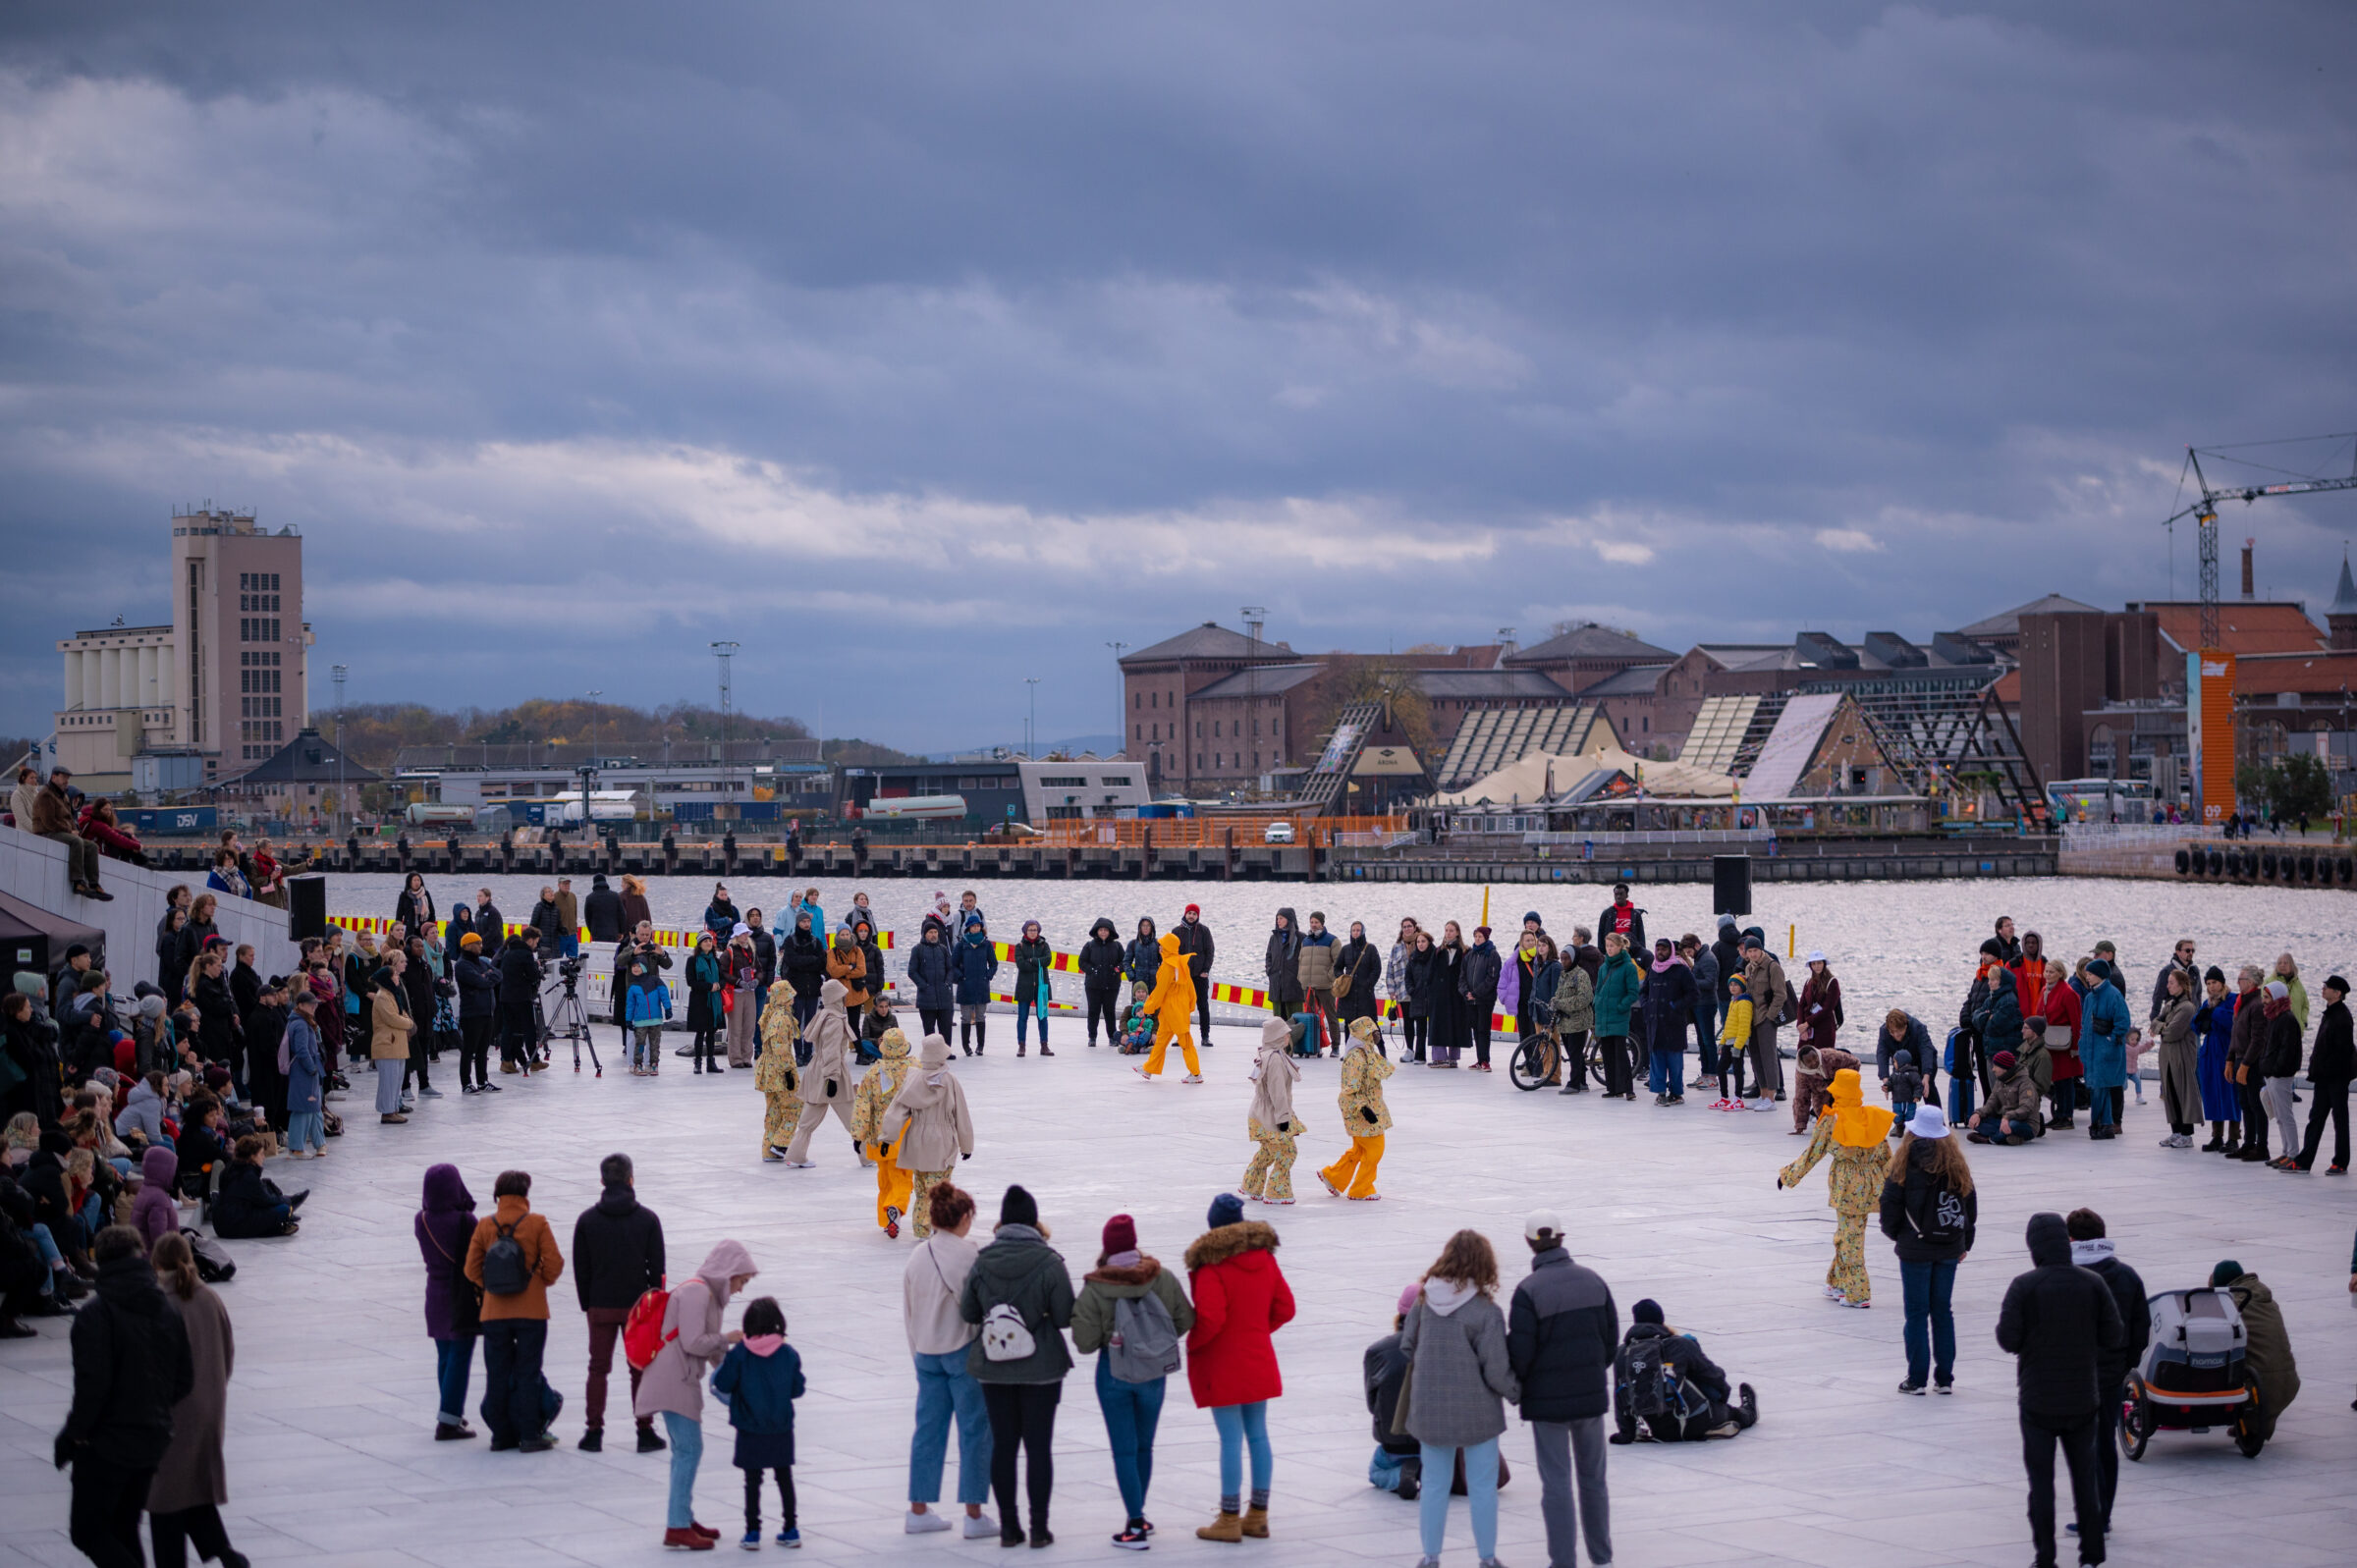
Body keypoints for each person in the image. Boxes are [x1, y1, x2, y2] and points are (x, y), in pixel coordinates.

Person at [56, 1225, 191, 1567]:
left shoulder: (95, 1315)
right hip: (152, 1437)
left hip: (107, 1444)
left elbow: (91, 1388)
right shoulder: (166, 1308)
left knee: (87, 1531)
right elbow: (185, 1377)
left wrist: (72, 1437)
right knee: (123, 1527)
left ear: (101, 1262)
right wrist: (156, 1405)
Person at [1995, 1214, 2121, 1568]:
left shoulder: (2024, 1286)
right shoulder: (2093, 1283)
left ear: (2033, 1246)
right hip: (2083, 1398)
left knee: (2042, 1484)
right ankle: (2092, 1556)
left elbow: (2008, 1339)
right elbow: (2113, 1336)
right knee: (2084, 1479)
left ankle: (2045, 1558)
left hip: (2038, 1401)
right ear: (2066, 1243)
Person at [959, 1185, 1074, 1549]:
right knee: (1039, 1447)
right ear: (1033, 1220)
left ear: (1003, 1221)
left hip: (994, 1369)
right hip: (1042, 1369)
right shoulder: (1050, 1262)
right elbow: (1064, 1316)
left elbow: (969, 1313)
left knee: (1003, 1446)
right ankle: (1039, 1529)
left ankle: (1009, 1528)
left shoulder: (982, 1260)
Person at [1071, 1213, 1195, 1548]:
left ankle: (1136, 1523)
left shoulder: (1097, 1285)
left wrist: (1108, 1338)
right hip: (1154, 1375)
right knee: (1144, 1446)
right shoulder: (1162, 1277)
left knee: (1123, 1451)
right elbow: (1185, 1318)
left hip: (1113, 1374)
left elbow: (1083, 1342)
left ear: (1107, 1247)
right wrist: (1154, 1345)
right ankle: (1138, 1515)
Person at [1399, 1228, 1519, 1568]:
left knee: (1435, 1485)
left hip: (1429, 1409)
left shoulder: (1423, 1301)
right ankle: (1486, 1557)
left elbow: (1407, 1345)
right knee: (1481, 1487)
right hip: (1477, 1412)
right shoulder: (1485, 1311)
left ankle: (1431, 1557)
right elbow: (1496, 1368)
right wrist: (1516, 1394)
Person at [1507, 1209, 1617, 1567]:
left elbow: (1520, 1355)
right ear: (1562, 1238)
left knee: (1555, 1483)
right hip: (1589, 1400)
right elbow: (1609, 1342)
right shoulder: (1593, 1281)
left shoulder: (1528, 1292)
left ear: (1529, 1243)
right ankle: (1602, 1558)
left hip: (1548, 1405)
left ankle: (1563, 1562)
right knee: (1594, 1481)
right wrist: (1587, 1374)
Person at [1184, 1191, 1294, 1544]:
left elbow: (1210, 1319)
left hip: (1223, 1363)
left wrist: (1194, 1344)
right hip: (1257, 1358)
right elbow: (1285, 1308)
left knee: (1230, 1439)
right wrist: (1258, 1332)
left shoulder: (1211, 1266)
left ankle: (1229, 1518)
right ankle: (1258, 1516)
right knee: (1258, 1435)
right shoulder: (1264, 1259)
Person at [636, 1240, 759, 1550]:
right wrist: (727, 1338)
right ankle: (677, 1526)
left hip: (680, 1377)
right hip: (673, 1379)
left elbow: (711, 1349)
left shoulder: (710, 1297)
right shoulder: (696, 1292)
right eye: (742, 1281)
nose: (742, 1289)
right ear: (729, 1273)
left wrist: (733, 1376)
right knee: (689, 1449)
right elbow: (694, 1342)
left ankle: (683, 1516)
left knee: (685, 1450)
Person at [902, 1182, 997, 1540]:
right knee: (974, 1431)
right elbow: (979, 1308)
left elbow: (908, 1311)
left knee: (928, 1431)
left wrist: (917, 1352)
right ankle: (974, 1514)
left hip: (926, 1353)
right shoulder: (968, 1255)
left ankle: (919, 1509)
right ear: (965, 1217)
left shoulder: (917, 1256)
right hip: (961, 1351)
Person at [144, 1231, 241, 1568]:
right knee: (190, 1487)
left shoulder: (160, 1304)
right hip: (209, 1408)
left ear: (156, 1263)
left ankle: (185, 1560)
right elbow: (227, 1354)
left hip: (174, 1412)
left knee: (164, 1496)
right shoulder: (210, 1298)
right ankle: (226, 1553)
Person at [464, 1169, 566, 1453]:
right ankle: (530, 1434)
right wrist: (538, 1282)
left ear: (497, 1195)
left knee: (496, 1372)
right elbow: (555, 1262)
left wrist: (493, 1286)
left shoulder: (485, 1225)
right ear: (525, 1194)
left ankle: (500, 1435)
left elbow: (470, 1269)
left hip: (494, 1313)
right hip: (532, 1312)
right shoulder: (536, 1223)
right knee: (528, 1372)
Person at [573, 1152, 667, 1453]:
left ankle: (593, 1433)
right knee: (639, 1368)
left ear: (601, 1180)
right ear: (631, 1179)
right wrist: (652, 1303)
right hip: (637, 1306)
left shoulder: (587, 1220)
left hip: (600, 1303)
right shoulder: (648, 1219)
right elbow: (658, 1268)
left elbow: (581, 1267)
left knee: (597, 1368)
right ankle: (644, 1431)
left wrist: (587, 1303)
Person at [1880, 1106, 1976, 1393]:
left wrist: (1899, 1236)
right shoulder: (1957, 1164)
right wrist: (1964, 1244)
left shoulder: (1904, 1163)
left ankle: (1917, 1379)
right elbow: (1970, 1208)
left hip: (1915, 1249)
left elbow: (1889, 1205)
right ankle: (1945, 1378)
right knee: (1943, 1312)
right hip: (1949, 1248)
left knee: (1917, 1314)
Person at [1777, 1067, 1891, 1307]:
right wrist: (1896, 1187)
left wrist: (1788, 1176)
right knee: (1848, 1233)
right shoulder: (1870, 1116)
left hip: (1846, 1186)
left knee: (1851, 1239)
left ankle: (1858, 1293)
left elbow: (1813, 1153)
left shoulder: (1832, 1120)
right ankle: (1837, 1281)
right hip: (1871, 1186)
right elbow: (1885, 1157)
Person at [2066, 1210, 2146, 1540]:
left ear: (2071, 1240)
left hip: (2075, 1375)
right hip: (2112, 1373)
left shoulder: (2067, 1276)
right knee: (2104, 1445)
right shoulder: (2127, 1276)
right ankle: (2103, 1515)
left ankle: (2090, 1516)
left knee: (2081, 1447)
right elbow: (2141, 1328)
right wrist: (2126, 1362)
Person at [711, 1295, 805, 1550]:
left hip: (749, 1426)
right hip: (781, 1426)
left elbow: (722, 1383)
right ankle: (791, 1528)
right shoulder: (787, 1353)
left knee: (752, 1481)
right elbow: (797, 1389)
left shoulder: (741, 1354)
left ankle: (752, 1532)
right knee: (784, 1477)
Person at [1611, 1298, 1755, 1443]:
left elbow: (1620, 1397)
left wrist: (1626, 1434)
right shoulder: (1679, 1344)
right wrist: (1721, 1400)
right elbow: (1714, 1376)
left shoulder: (1622, 1353)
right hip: (1698, 1418)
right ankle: (1748, 1411)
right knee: (1736, 1414)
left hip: (1659, 1430)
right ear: (1661, 1319)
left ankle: (1698, 1430)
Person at [881, 1033, 976, 1237]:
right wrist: (966, 1146)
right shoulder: (949, 1081)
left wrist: (888, 1137)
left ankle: (921, 1228)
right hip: (941, 1141)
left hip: (916, 1140)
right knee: (940, 1190)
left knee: (922, 1187)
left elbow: (898, 1108)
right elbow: (961, 1115)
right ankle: (936, 1226)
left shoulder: (913, 1078)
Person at [415, 1163, 481, 1442]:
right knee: (460, 1356)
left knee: (444, 1354)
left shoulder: (422, 1219)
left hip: (435, 1294)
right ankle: (448, 1420)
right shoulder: (466, 1220)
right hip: (461, 1296)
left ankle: (449, 1411)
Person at [780, 981, 859, 1168]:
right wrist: (832, 1077)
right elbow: (832, 1050)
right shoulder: (835, 1019)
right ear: (837, 997)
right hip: (833, 1073)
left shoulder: (824, 1015)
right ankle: (867, 1155)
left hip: (817, 1071)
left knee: (809, 1119)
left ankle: (795, 1154)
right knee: (853, 1118)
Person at [1319, 1016, 1395, 1201]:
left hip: (1371, 1107)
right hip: (1361, 1111)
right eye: (1372, 1032)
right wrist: (1363, 1108)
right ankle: (1362, 1188)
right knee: (1375, 1149)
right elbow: (1349, 1089)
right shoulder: (1356, 1057)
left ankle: (1333, 1176)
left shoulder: (1366, 1052)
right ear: (1363, 1034)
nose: (1376, 1035)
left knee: (1360, 1150)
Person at [1364, 1283, 1427, 1500]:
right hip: (1432, 1442)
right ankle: (1428, 1472)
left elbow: (1373, 1405)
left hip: (1393, 1443)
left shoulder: (1377, 1351)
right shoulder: (1441, 1348)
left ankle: (1400, 1474)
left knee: (1376, 1471)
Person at [853, 1027, 918, 1237]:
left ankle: (885, 1218)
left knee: (885, 1177)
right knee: (903, 1177)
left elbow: (863, 1104)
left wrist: (858, 1135)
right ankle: (895, 1208)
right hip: (906, 1131)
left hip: (880, 1134)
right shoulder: (915, 1069)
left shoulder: (873, 1072)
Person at [2291, 974, 2352, 1172]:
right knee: (2315, 1119)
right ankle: (2304, 1161)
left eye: (2327, 987)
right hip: (2324, 1078)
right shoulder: (2330, 1014)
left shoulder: (2342, 1017)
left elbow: (2343, 1051)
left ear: (2338, 993)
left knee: (2339, 1120)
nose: (2323, 989)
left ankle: (2340, 1162)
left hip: (2336, 1078)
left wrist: (2326, 1069)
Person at [1240, 1016, 1301, 1205]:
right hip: (1270, 1115)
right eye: (1285, 1034)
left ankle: (1251, 1184)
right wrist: (1283, 1118)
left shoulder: (1267, 1054)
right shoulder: (1274, 1059)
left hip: (1259, 1113)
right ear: (1276, 1036)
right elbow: (1278, 1092)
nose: (1287, 1038)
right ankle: (1277, 1191)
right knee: (1287, 1151)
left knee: (1268, 1150)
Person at [1133, 931, 1202, 1084]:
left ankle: (1196, 1073)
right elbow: (1191, 988)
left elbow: (1160, 991)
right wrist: (1191, 1004)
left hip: (1171, 1010)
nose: (1159, 948)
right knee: (1162, 1040)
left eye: (1162, 946)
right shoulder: (1182, 964)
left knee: (1185, 1042)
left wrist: (1149, 1007)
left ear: (1168, 948)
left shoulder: (1167, 967)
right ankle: (1149, 1069)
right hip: (1178, 1010)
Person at [33, 766, 112, 899]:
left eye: (67, 778)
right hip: (47, 832)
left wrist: (73, 830)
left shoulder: (62, 795)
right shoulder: (46, 795)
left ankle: (93, 884)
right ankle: (77, 882)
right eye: (63, 777)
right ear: (53, 777)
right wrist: (70, 831)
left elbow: (69, 818)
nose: (66, 781)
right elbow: (49, 822)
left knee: (92, 847)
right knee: (76, 841)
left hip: (61, 831)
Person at [2075, 960, 2132, 1141]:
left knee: (2100, 1087)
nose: (2087, 977)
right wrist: (2083, 1046)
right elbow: (2085, 1024)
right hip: (2092, 1049)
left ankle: (2102, 1123)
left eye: (2090, 974)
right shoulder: (2091, 997)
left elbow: (2123, 1022)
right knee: (2096, 1088)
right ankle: (2102, 1124)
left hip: (2105, 1049)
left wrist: (2110, 1040)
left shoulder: (2113, 995)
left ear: (2100, 974)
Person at [1791, 951, 1843, 1129]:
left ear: (1824, 964)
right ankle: (1804, 1111)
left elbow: (1828, 1008)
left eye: (1819, 963)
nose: (1816, 966)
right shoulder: (1808, 982)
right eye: (1813, 964)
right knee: (1804, 1064)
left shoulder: (1832, 983)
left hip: (1823, 1030)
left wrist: (1807, 1023)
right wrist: (1801, 1024)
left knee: (1823, 1067)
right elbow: (1801, 1005)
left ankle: (1824, 1106)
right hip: (1808, 1029)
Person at [211, 1135, 301, 1238]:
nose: (263, 1157)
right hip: (233, 1225)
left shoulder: (229, 1169)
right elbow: (265, 1200)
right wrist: (286, 1200)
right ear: (252, 1156)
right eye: (261, 1154)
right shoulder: (248, 1175)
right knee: (283, 1209)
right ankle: (283, 1218)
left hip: (220, 1224)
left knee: (272, 1205)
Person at [2192, 965, 2241, 1152]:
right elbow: (2195, 1025)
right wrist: (2201, 1017)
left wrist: (2215, 1013)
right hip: (2210, 1052)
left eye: (2215, 982)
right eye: (2209, 983)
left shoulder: (2233, 999)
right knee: (2212, 1094)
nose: (2211, 987)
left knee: (2230, 1094)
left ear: (2222, 983)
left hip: (2227, 1050)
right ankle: (2217, 1136)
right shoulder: (2208, 1002)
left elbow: (2234, 1021)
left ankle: (2234, 1137)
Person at [1642, 937, 1695, 1106]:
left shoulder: (1681, 970)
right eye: (1658, 949)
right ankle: (1660, 1092)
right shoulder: (1652, 970)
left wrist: (1676, 1006)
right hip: (1655, 1022)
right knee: (1656, 1060)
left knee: (1675, 1061)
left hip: (1674, 1023)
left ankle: (1676, 1092)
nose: (1660, 952)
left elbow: (1693, 993)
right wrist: (1647, 1006)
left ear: (1671, 950)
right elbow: (1643, 992)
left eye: (1664, 949)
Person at [2152, 967, 2199, 1149]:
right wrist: (2161, 1025)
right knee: (2170, 1091)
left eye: (2171, 983)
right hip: (2167, 1055)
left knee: (2183, 1092)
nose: (2168, 986)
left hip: (2182, 1055)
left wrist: (2161, 1027)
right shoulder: (2170, 1004)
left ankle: (2187, 1134)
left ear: (2181, 985)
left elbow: (2172, 1032)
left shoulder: (2187, 1007)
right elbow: (2155, 1020)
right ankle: (2176, 1131)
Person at [1592, 932, 1642, 1102]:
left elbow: (1633, 992)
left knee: (1620, 1054)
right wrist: (1597, 1003)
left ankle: (1628, 1089)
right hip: (1604, 1015)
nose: (1609, 949)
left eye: (1612, 946)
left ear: (1620, 946)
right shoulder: (1603, 967)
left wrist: (1621, 1006)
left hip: (1618, 1016)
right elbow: (1598, 989)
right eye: (1607, 946)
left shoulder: (1628, 967)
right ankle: (1613, 1088)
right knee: (1607, 1054)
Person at [755, 990, 802, 1161]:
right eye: (790, 996)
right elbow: (780, 1047)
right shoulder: (782, 1018)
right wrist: (788, 1072)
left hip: (768, 1069)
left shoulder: (771, 1012)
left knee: (774, 1110)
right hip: (779, 1069)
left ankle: (768, 1150)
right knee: (794, 1106)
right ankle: (780, 1144)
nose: (793, 999)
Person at [1742, 931, 1787, 1104]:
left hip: (1765, 1019)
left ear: (1761, 950)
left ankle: (1771, 1097)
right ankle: (1762, 1095)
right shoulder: (1749, 968)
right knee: (1755, 1057)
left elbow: (1780, 994)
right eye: (1749, 951)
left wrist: (1770, 1016)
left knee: (1768, 1057)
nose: (1753, 954)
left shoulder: (1772, 966)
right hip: (1751, 1019)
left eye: (1755, 950)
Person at [369, 948, 413, 1126]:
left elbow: (402, 1013)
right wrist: (409, 1024)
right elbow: (393, 1018)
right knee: (388, 1080)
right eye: (394, 975)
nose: (397, 978)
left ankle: (392, 1108)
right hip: (387, 1044)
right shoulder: (382, 997)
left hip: (396, 1044)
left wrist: (407, 1020)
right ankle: (387, 1112)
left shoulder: (392, 995)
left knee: (396, 1080)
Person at [1550, 936, 1595, 1097]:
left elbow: (1584, 998)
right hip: (1566, 1023)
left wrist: (1562, 1004)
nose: (1563, 961)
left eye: (1567, 958)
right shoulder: (1564, 974)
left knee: (1575, 1054)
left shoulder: (1581, 975)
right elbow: (1559, 993)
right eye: (1562, 958)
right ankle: (1582, 1081)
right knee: (1573, 1053)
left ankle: (1574, 1083)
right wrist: (1555, 1001)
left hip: (1579, 1022)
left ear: (1574, 958)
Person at [910, 919, 960, 1047]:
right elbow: (912, 971)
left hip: (944, 996)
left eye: (935, 932)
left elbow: (950, 969)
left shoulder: (943, 949)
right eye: (930, 932)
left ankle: (946, 1052)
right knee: (929, 1030)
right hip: (926, 998)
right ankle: (931, 1054)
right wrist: (923, 986)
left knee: (946, 1028)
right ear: (925, 934)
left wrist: (947, 983)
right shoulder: (918, 950)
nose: (933, 935)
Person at [1011, 920, 1056, 1057]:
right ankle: (1021, 1045)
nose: (1032, 932)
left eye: (1035, 930)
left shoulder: (1044, 945)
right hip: (1025, 986)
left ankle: (1044, 1045)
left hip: (1041, 985)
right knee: (1022, 1017)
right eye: (1030, 929)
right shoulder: (1020, 946)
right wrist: (1038, 963)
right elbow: (1021, 965)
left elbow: (1048, 960)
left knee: (1042, 1016)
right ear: (1025, 931)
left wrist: (1031, 960)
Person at [1175, 903, 1216, 1047]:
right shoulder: (1177, 931)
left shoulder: (1204, 931)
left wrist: (1206, 970)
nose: (1191, 916)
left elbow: (1210, 951)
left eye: (1194, 914)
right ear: (1185, 914)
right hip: (1183, 975)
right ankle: (1181, 1036)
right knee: (1182, 1007)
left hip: (1200, 975)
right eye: (1189, 913)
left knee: (1202, 1006)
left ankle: (1205, 1036)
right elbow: (1171, 952)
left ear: (1197, 916)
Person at [684, 933, 725, 1075]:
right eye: (705, 941)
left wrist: (718, 986)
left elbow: (723, 978)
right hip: (700, 1001)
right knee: (700, 1032)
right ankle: (698, 1062)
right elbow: (691, 981)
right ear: (700, 944)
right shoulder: (693, 960)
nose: (708, 943)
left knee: (712, 1033)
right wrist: (708, 986)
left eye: (710, 941)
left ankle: (711, 1062)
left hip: (714, 1000)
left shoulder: (715, 960)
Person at [1462, 924, 1501, 1072]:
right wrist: (1466, 991)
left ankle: (1485, 1060)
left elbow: (1492, 978)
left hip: (1485, 999)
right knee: (1475, 1028)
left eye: (1480, 937)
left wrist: (1477, 992)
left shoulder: (1492, 954)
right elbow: (1462, 976)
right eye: (1476, 936)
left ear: (1486, 938)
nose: (1478, 939)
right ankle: (1479, 1059)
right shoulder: (1470, 954)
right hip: (1471, 1000)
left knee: (1483, 1029)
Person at [955, 920, 997, 1056]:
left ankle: (980, 1045)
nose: (976, 928)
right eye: (973, 926)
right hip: (966, 985)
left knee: (980, 1016)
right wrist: (961, 977)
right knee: (966, 1017)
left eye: (978, 926)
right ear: (968, 928)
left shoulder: (986, 944)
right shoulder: (962, 944)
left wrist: (988, 976)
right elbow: (953, 964)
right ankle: (966, 1045)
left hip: (981, 985)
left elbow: (993, 964)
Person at [723, 927, 760, 1069]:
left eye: (746, 933)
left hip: (750, 991)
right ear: (736, 936)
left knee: (749, 1025)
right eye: (743, 934)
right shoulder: (729, 952)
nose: (745, 936)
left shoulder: (751, 951)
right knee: (735, 1026)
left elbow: (759, 969)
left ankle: (746, 1056)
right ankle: (735, 1057)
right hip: (736, 992)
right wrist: (738, 981)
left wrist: (757, 980)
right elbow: (724, 972)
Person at [1263, 908, 1303, 1027]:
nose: (1278, 921)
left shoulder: (1300, 938)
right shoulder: (1274, 937)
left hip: (1293, 986)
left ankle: (1293, 1045)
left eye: (1281, 918)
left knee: (1294, 1022)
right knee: (1278, 1022)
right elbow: (1268, 956)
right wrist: (1270, 970)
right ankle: (1279, 1044)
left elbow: (1304, 959)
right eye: (1277, 918)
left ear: (1289, 920)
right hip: (1277, 985)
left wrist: (1298, 975)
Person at [1596, 883, 1644, 953]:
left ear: (1627, 895)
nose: (1618, 897)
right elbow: (1600, 935)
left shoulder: (1635, 914)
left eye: (1621, 894)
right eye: (1616, 894)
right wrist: (1602, 953)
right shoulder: (1607, 914)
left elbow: (1641, 936)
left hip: (1631, 951)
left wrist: (1642, 953)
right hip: (1612, 951)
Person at [582, 873, 623, 946]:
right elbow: (622, 915)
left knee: (599, 953)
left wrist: (592, 931)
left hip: (597, 934)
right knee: (612, 954)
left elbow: (587, 917)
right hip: (613, 932)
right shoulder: (615, 896)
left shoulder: (590, 898)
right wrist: (621, 931)